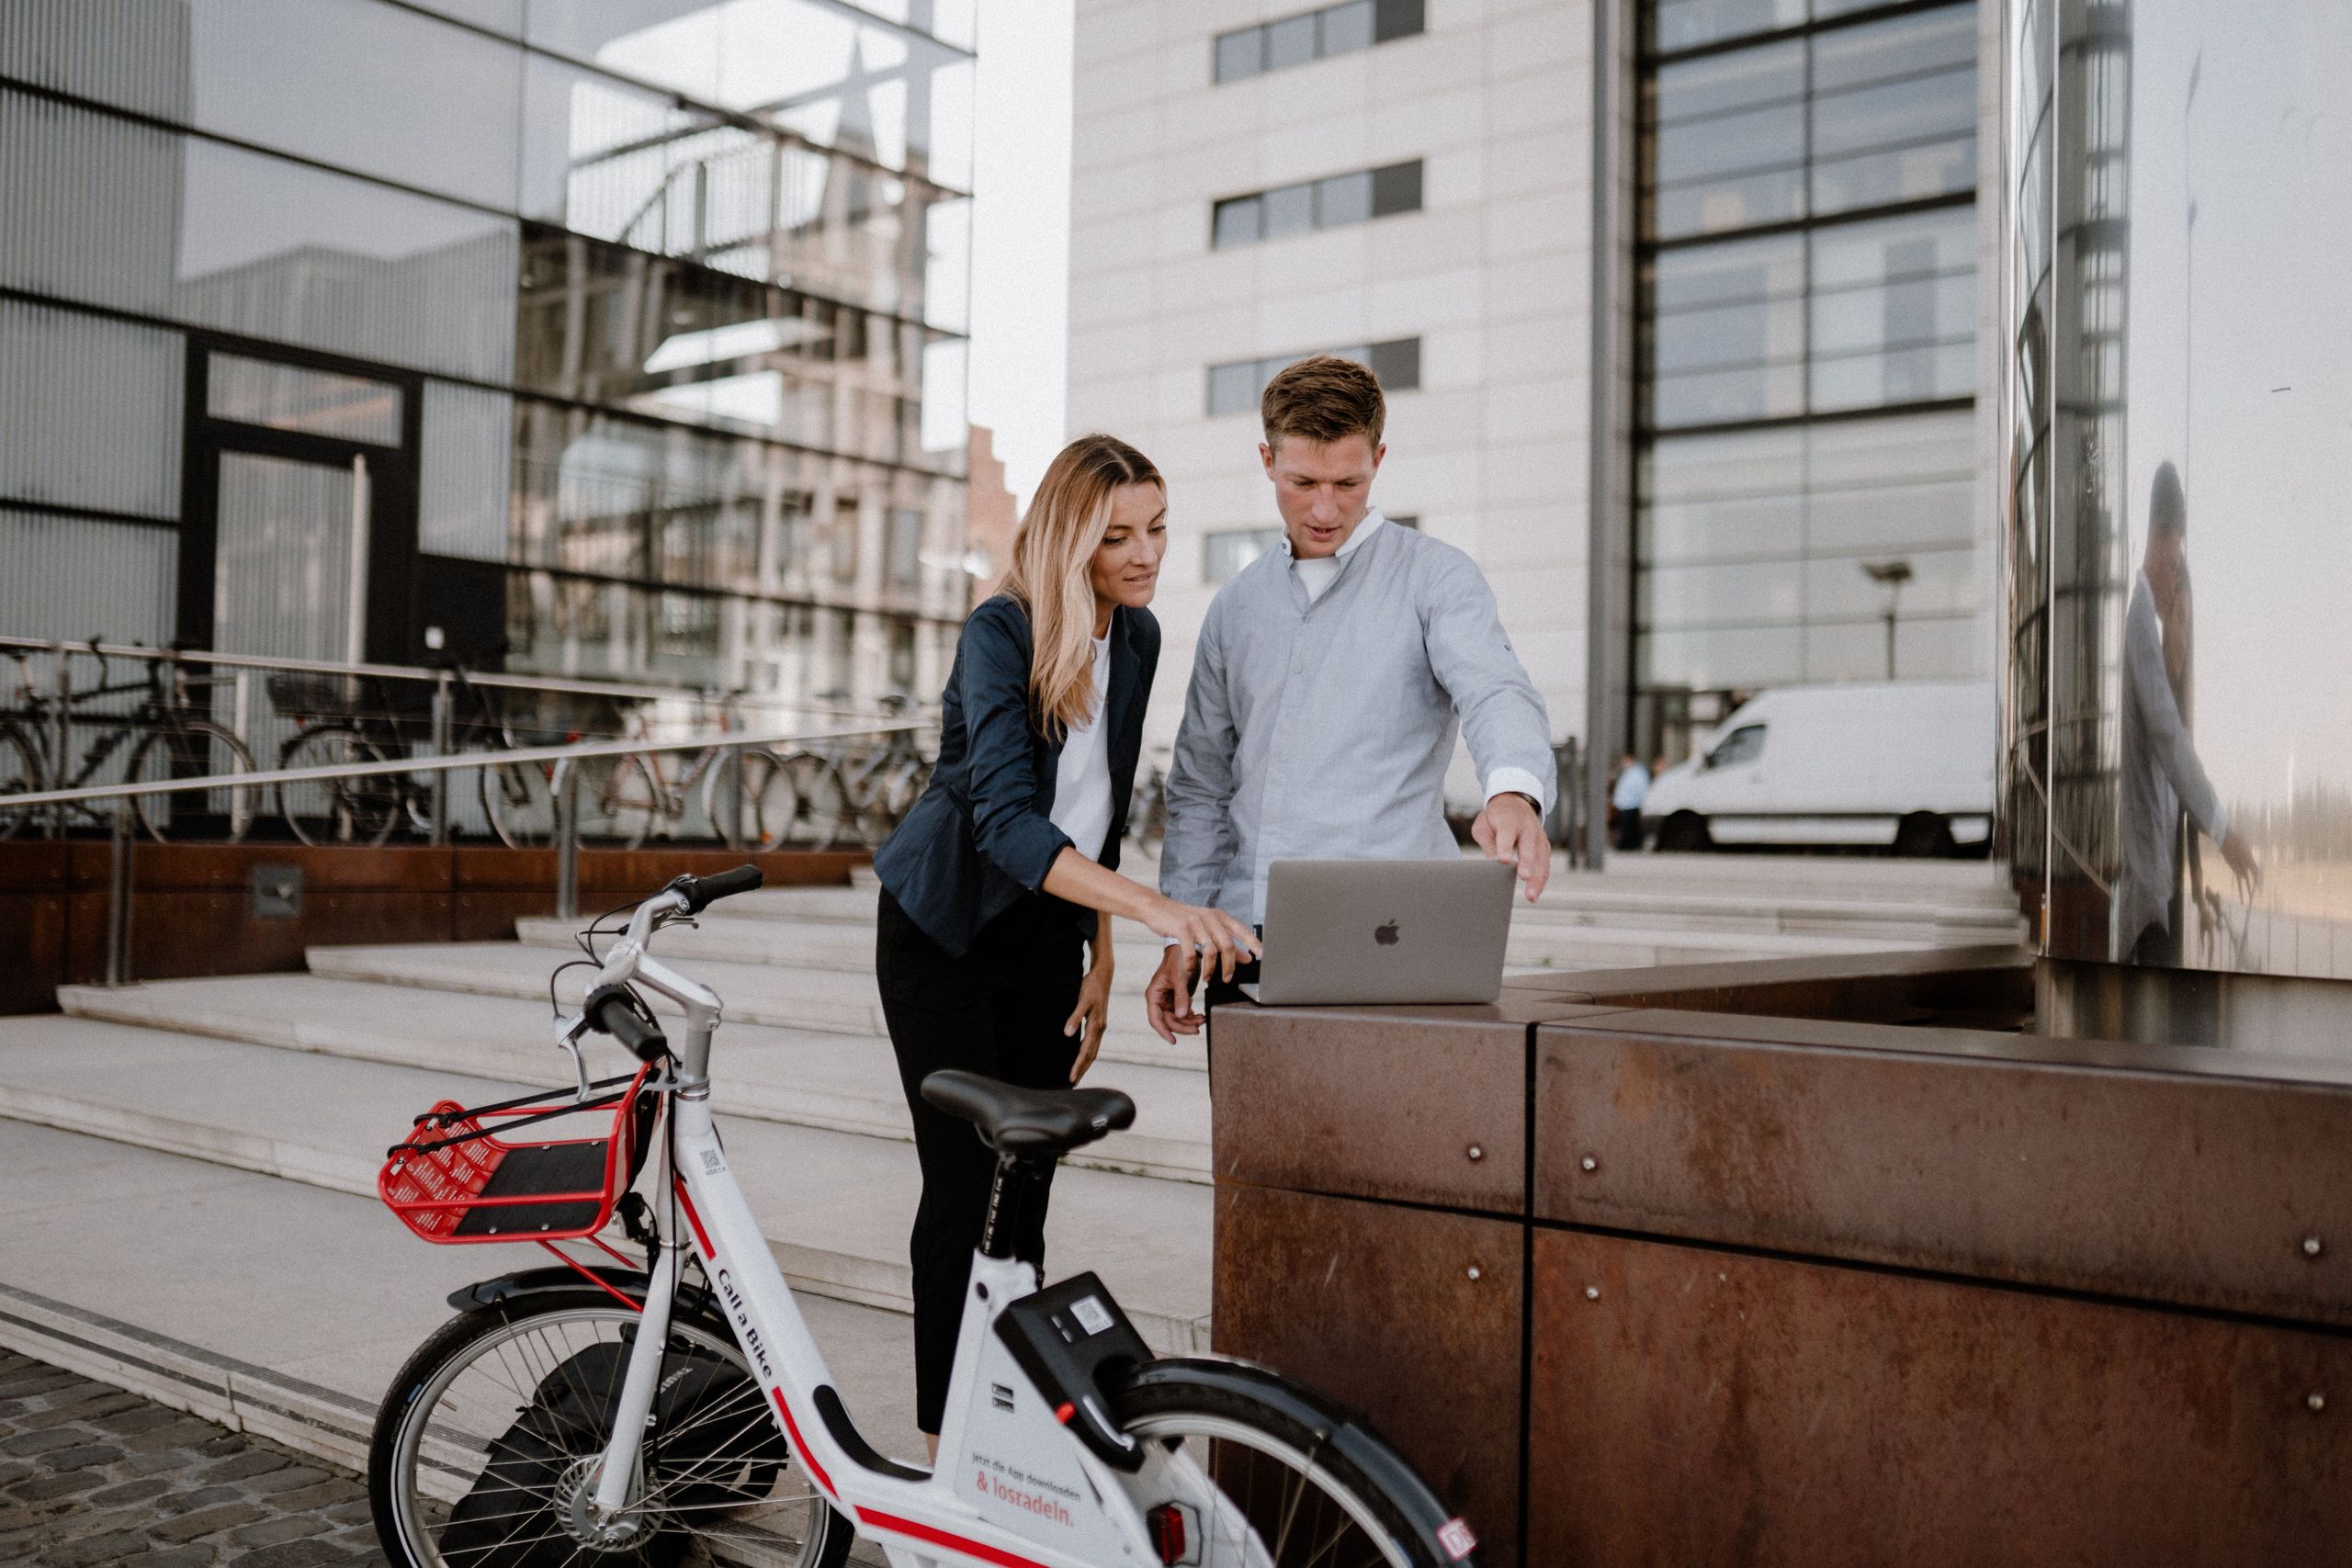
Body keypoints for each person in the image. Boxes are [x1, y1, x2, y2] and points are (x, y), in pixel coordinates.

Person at [871, 434, 1259, 1452]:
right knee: (962, 1187)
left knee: (1029, 1180)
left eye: (1158, 529)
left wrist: (1102, 955)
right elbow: (1005, 824)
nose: (1147, 554)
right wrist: (1158, 911)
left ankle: (1008, 1422)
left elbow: (1097, 810)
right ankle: (942, 1447)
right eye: (1119, 535)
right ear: (1071, 537)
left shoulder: (1135, 637)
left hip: (1049, 931)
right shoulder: (1001, 633)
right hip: (944, 926)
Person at [1145, 355, 1555, 1035]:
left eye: (1348, 482)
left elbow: (1496, 688)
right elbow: (1200, 787)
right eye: (1302, 482)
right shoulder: (1236, 607)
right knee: (1259, 1143)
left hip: (1394, 937)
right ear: (1267, 460)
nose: (1326, 508)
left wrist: (1513, 790)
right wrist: (1178, 931)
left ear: (1379, 460)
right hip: (1244, 941)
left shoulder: (1438, 580)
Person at [2118, 461, 2257, 964]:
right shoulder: (2138, 620)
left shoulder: (2142, 628)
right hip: (2146, 910)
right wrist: (2224, 830)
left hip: (2155, 899)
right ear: (2160, 535)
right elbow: (2170, 738)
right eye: (2176, 558)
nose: (2174, 578)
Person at [1611, 752, 1650, 852]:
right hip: (1626, 805)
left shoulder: (1637, 773)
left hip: (1632, 804)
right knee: (1630, 827)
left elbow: (1641, 789)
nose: (1623, 764)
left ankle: (1625, 845)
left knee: (1629, 827)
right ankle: (1631, 845)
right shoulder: (1628, 772)